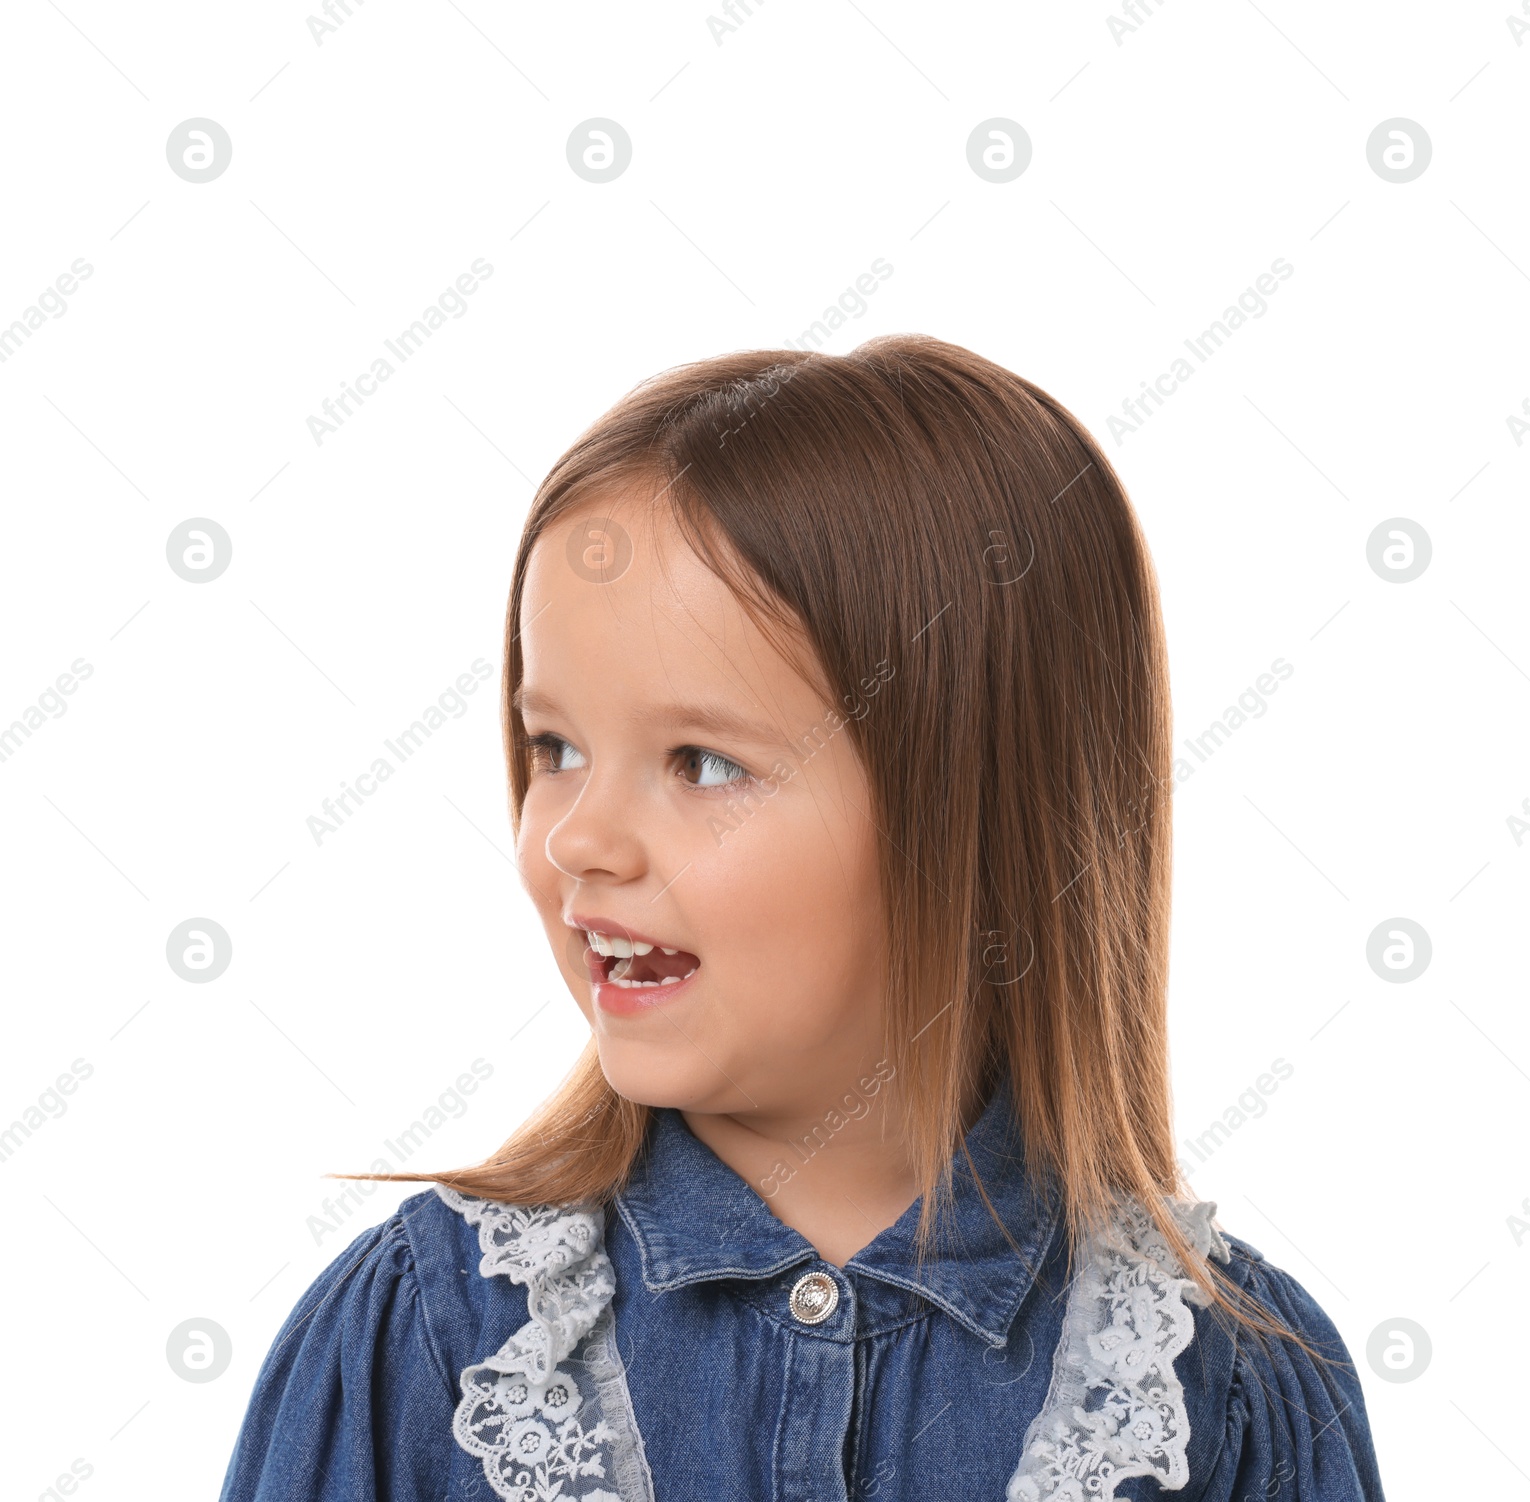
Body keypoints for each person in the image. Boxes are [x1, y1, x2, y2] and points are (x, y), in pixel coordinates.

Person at [219, 335, 1386, 1500]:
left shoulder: (1227, 1393)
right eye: (554, 747)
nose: (574, 837)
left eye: (702, 763)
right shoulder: (418, 1341)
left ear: (974, 815)